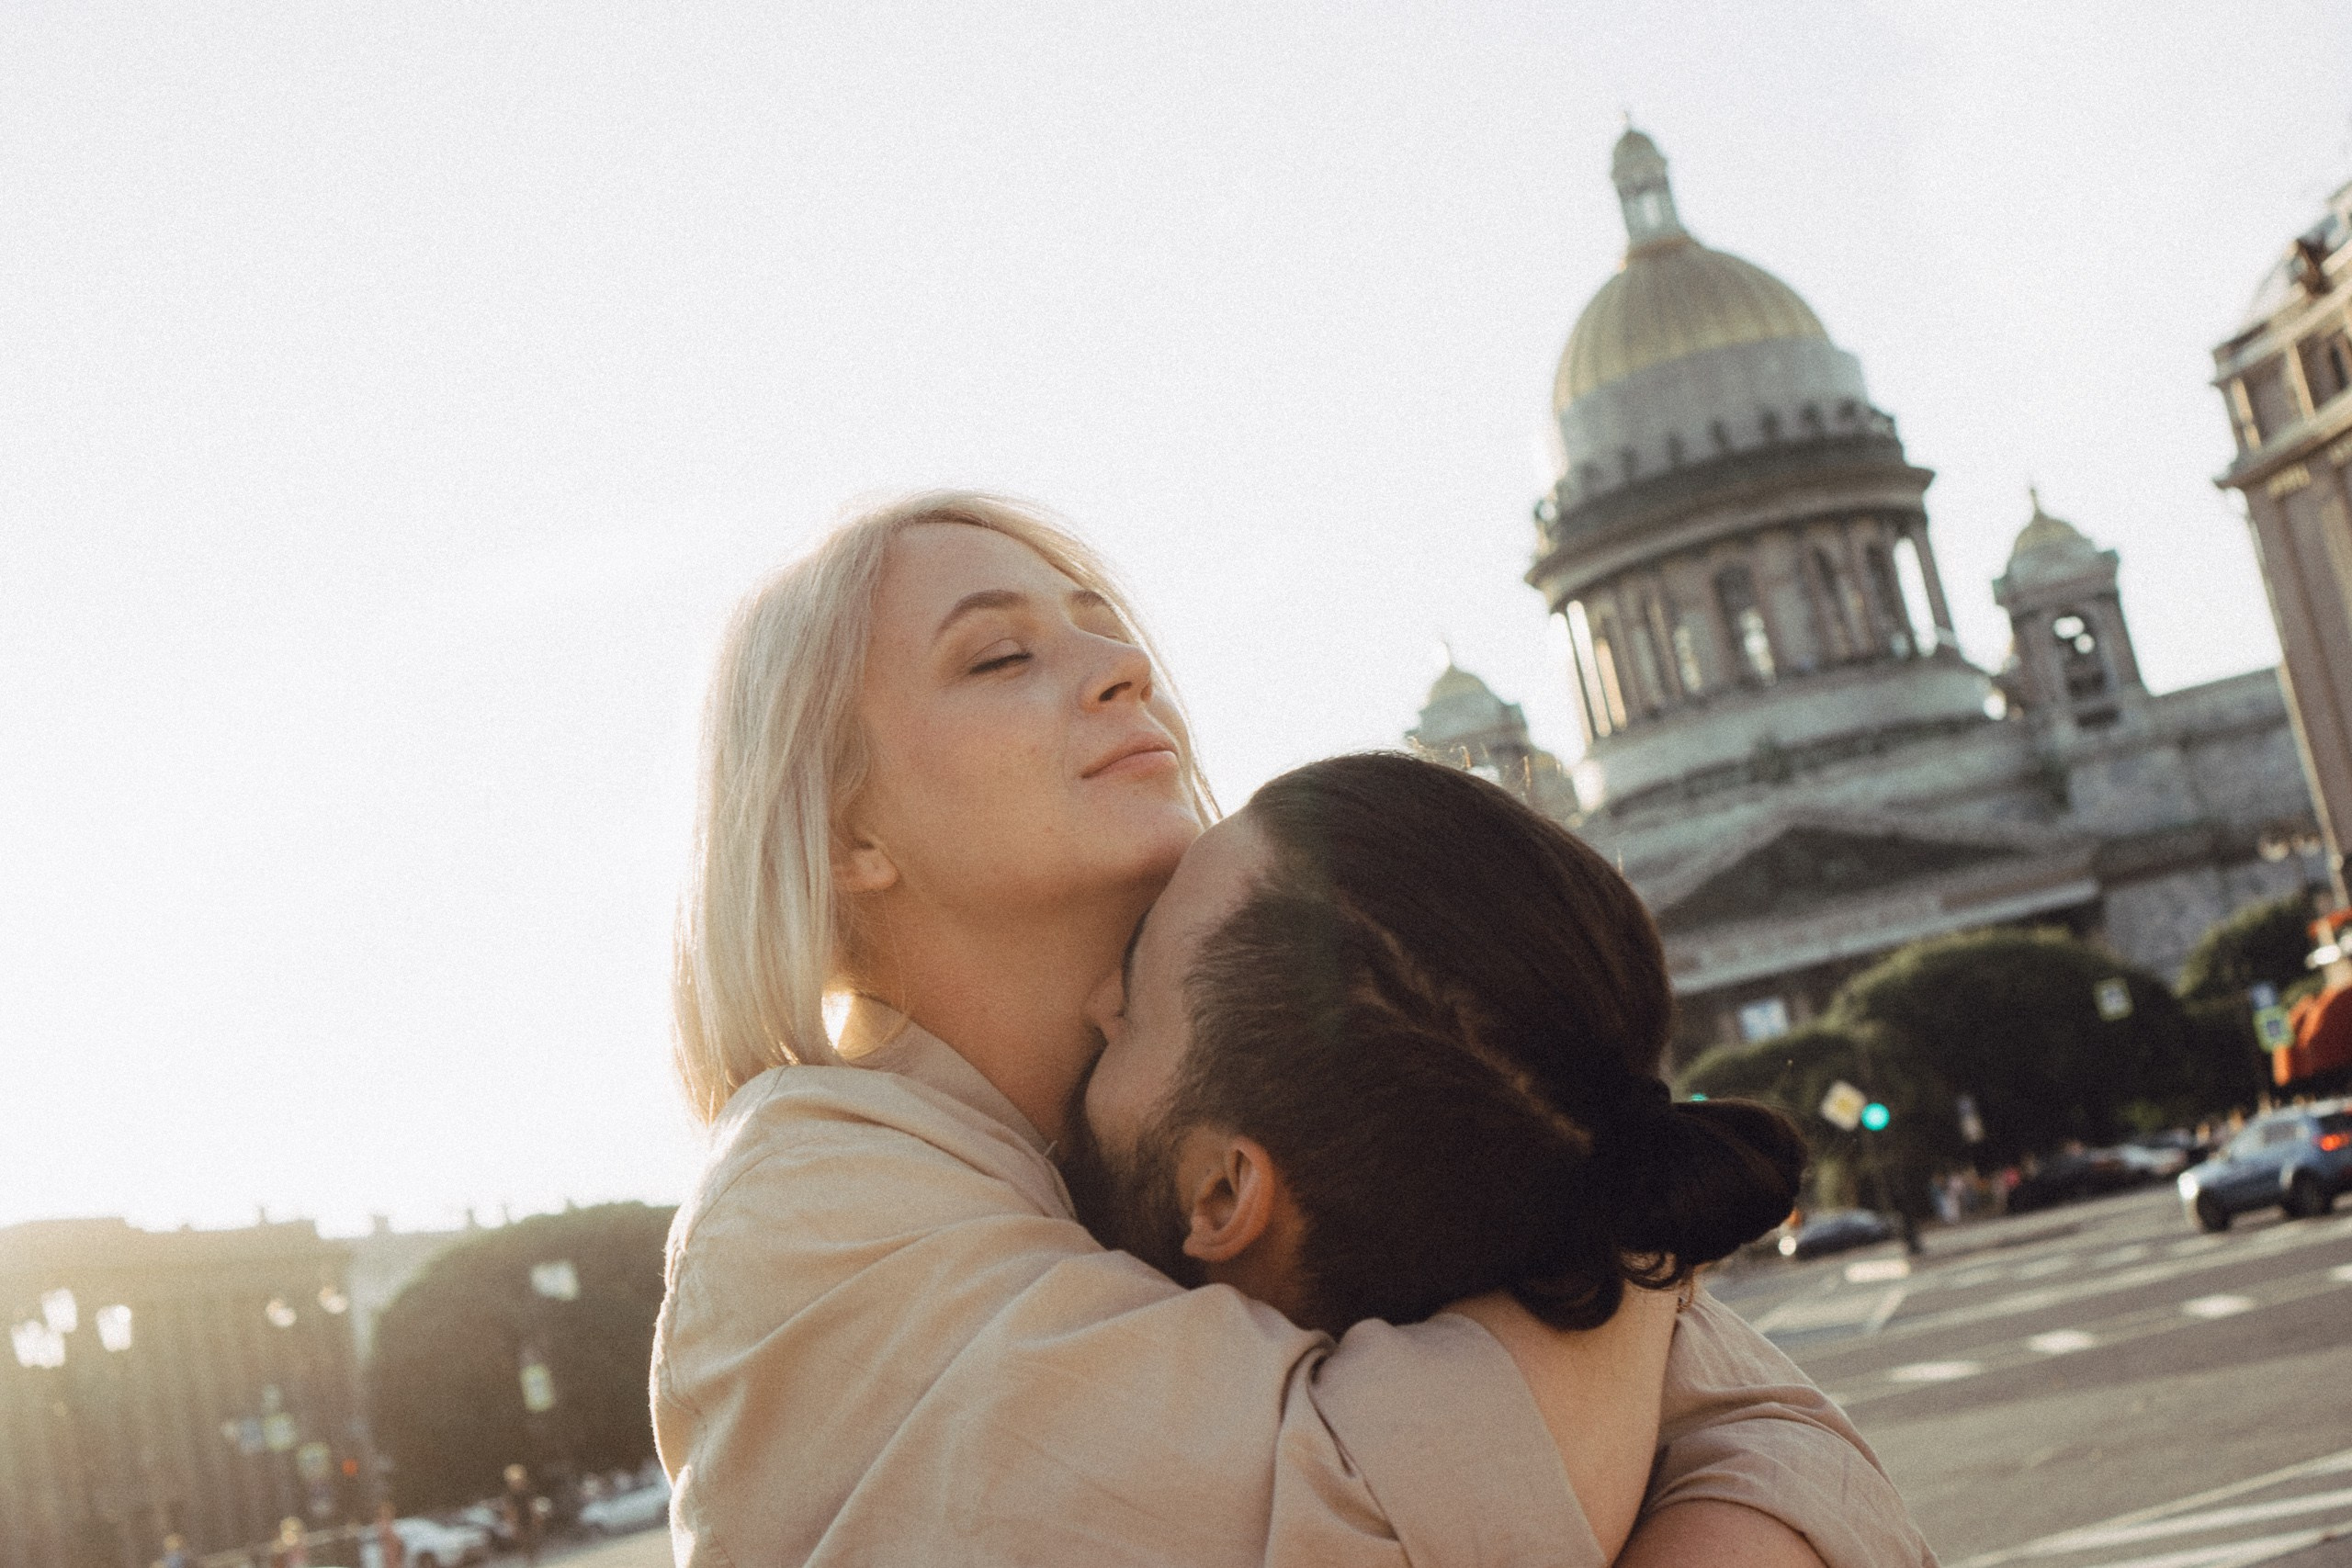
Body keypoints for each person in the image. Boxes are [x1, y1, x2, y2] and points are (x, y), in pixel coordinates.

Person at [652, 492, 1930, 1566]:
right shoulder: (809, 1197)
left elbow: (1791, 1433)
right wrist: (1600, 1172)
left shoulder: (1205, 1096)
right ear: (844, 835)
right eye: (999, 656)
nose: (1125, 665)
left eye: (1104, 629)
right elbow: (1401, 1503)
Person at [1064, 753, 1928, 1568]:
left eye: (1135, 995)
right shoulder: (1745, 1444)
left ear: (1223, 1192)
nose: (1096, 1001)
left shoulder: (1098, 1459)